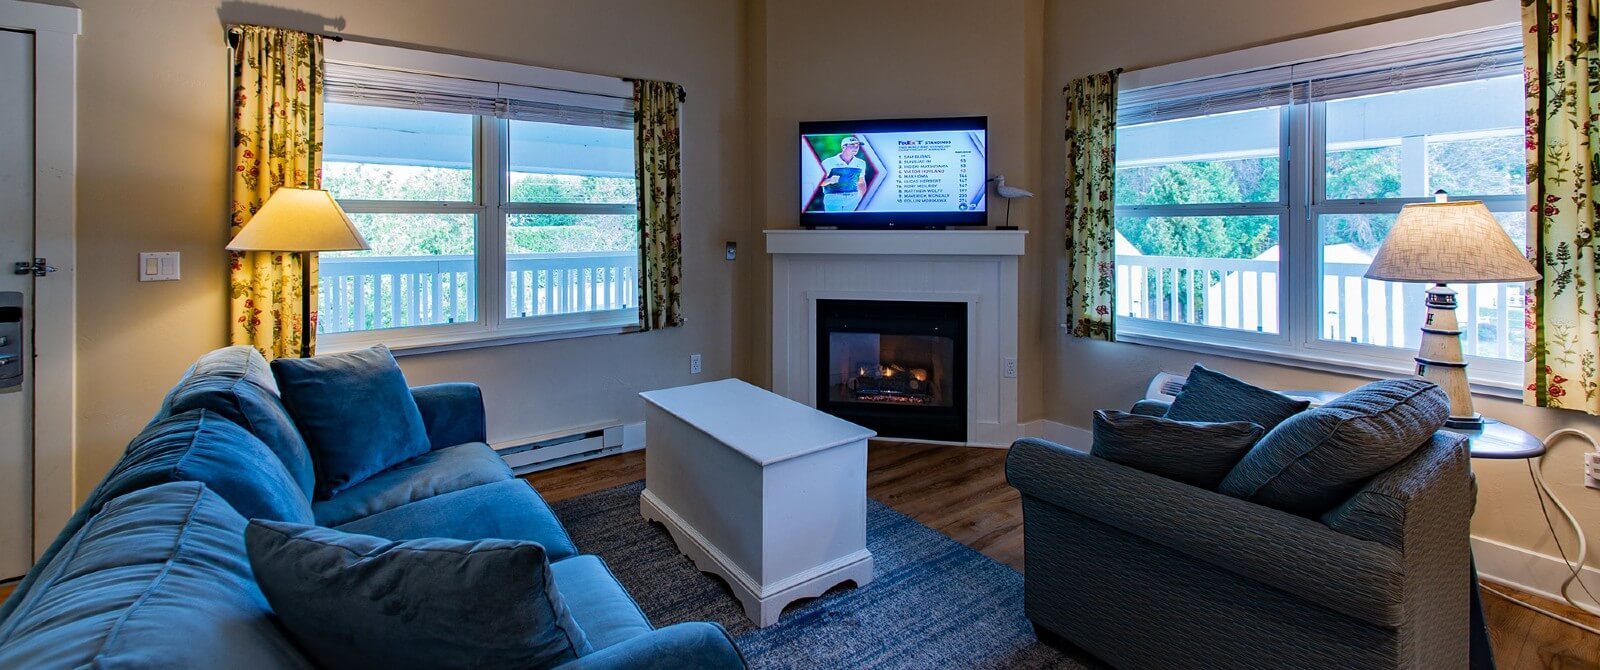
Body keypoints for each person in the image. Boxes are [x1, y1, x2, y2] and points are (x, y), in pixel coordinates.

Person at [819, 136, 869, 211]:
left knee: (851, 222)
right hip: (833, 198)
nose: (856, 148)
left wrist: (860, 198)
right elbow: (818, 183)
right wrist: (829, 180)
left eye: (857, 146)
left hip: (853, 199)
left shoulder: (861, 163)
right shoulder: (828, 162)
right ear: (843, 147)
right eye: (852, 145)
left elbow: (861, 182)